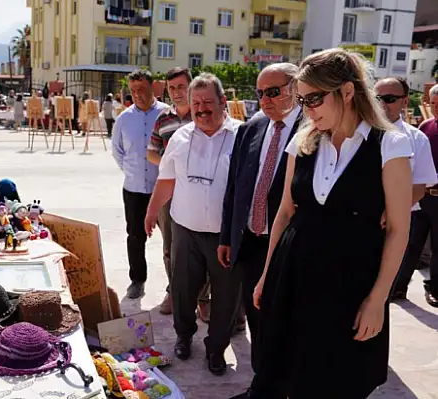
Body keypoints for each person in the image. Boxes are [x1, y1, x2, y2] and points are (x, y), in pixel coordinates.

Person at [249, 48, 412, 398]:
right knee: (284, 368)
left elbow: (399, 230)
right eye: (302, 101)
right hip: (292, 272)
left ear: (348, 92)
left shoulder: (391, 146)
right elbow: (285, 213)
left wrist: (377, 300)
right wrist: (267, 274)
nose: (307, 110)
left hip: (349, 282)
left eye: (314, 99)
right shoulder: (304, 141)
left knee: (336, 377)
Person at [144, 73, 242, 374]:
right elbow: (166, 179)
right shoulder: (179, 138)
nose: (201, 109)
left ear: (223, 102)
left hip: (225, 236)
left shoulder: (242, 135)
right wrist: (150, 213)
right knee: (183, 291)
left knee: (225, 298)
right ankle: (184, 337)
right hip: (185, 230)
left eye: (208, 102)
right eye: (195, 103)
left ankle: (216, 350)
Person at [221, 63, 303, 393]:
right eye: (260, 93)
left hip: (288, 246)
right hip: (251, 242)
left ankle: (286, 383)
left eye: (273, 91)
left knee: (287, 319)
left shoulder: (314, 130)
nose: (265, 100)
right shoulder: (252, 128)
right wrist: (228, 236)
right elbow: (235, 187)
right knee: (256, 316)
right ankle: (263, 383)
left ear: (295, 88)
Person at [112, 69, 169, 299]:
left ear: (152, 86)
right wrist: (132, 172)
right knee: (135, 237)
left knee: (171, 240)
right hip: (134, 190)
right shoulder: (124, 119)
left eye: (142, 90)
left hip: (163, 190)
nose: (137, 95)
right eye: (133, 90)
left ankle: (173, 285)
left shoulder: (166, 114)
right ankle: (137, 280)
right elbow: (117, 151)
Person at [145, 67, 193, 315]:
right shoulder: (163, 118)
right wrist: (170, 163)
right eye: (172, 88)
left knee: (200, 247)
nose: (176, 92)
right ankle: (174, 292)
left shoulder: (204, 113)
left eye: (181, 87)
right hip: (168, 193)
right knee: (170, 247)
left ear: (191, 86)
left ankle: (203, 299)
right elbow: (150, 152)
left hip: (199, 193)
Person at [397, 82, 438, 307]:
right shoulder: (425, 126)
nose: (435, 108)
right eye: (432, 104)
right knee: (411, 242)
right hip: (422, 196)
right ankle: (399, 286)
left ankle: (435, 289)